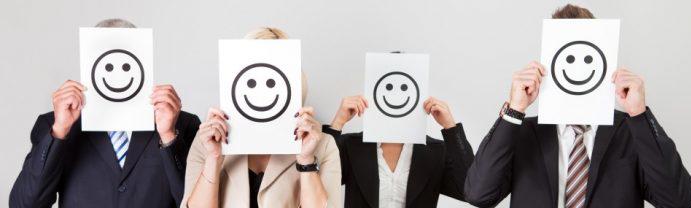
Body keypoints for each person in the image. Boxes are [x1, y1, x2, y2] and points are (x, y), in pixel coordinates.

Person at [463, 4, 691, 208]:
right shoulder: (524, 134)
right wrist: (514, 111)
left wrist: (639, 114)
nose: (577, 69)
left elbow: (678, 200)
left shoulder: (631, 131)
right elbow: (479, 194)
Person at [9, 19, 201, 207]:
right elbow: (24, 204)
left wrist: (169, 137)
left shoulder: (183, 125)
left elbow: (196, 203)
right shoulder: (54, 124)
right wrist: (59, 132)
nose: (117, 75)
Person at [182, 27, 342, 208]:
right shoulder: (206, 142)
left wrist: (306, 161)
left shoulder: (323, 145)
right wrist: (213, 158)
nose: (261, 92)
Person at [323, 95, 473, 208]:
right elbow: (318, 185)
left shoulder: (437, 151)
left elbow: (471, 192)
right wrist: (337, 124)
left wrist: (451, 128)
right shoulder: (352, 145)